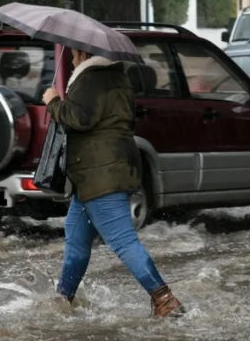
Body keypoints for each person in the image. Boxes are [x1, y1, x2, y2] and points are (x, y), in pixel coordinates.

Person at [42, 47, 184, 318]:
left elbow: (80, 118)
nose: (72, 60)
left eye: (74, 56)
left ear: (84, 54)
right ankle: (62, 300)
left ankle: (164, 299)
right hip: (102, 171)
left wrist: (54, 102)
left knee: (122, 240)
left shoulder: (91, 78)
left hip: (100, 172)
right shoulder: (118, 77)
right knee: (76, 240)